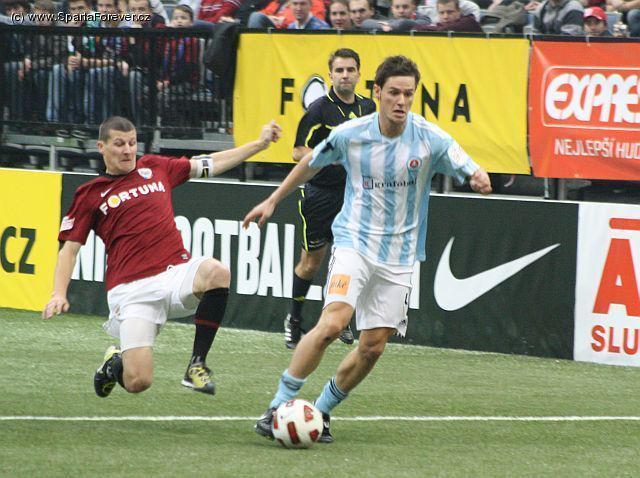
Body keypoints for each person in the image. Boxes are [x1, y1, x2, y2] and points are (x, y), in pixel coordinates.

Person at [244, 56, 491, 442]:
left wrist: (478, 176)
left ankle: (321, 411)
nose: (401, 101)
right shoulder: (352, 134)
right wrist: (273, 200)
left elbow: (467, 164)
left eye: (408, 94)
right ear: (377, 92)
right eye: (393, 92)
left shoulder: (430, 138)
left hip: (400, 256)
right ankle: (278, 404)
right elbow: (310, 162)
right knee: (332, 324)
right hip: (354, 244)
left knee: (373, 347)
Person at [42, 116, 282, 398]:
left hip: (175, 272)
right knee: (138, 382)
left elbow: (209, 163)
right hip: (131, 290)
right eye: (119, 144)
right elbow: (69, 250)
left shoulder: (154, 167)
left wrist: (259, 144)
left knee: (217, 272)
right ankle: (114, 364)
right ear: (101, 147)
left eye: (132, 143)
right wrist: (58, 293)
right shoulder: (90, 194)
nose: (128, 150)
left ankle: (196, 365)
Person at [284, 48, 376, 350]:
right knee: (311, 262)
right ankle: (294, 319)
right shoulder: (318, 110)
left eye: (350, 70)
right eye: (339, 70)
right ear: (331, 75)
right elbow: (297, 151)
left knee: (347, 259)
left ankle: (339, 318)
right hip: (320, 195)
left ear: (359, 74)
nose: (345, 75)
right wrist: (331, 157)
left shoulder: (368, 107)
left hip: (354, 194)